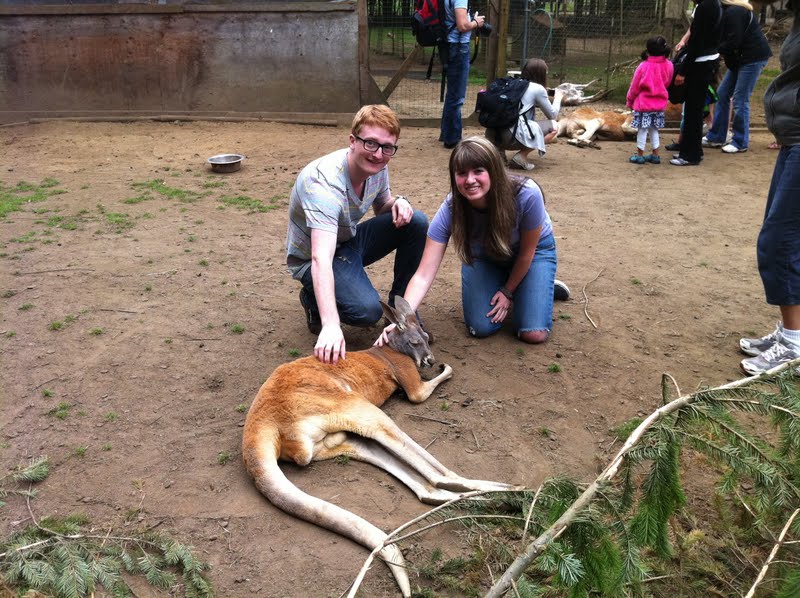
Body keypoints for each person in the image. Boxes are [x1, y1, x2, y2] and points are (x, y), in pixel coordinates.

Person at [376, 137, 569, 347]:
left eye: (478, 170)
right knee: (481, 327)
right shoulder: (452, 206)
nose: (470, 180)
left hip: (530, 255)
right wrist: (402, 320)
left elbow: (526, 254)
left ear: (493, 170)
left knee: (533, 334)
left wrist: (507, 291)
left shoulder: (526, 194)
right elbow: (423, 275)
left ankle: (533, 284)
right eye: (461, 173)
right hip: (487, 254)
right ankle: (524, 287)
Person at [286, 104, 429, 365]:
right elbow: (320, 257)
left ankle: (400, 314)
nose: (378, 154)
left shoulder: (377, 165)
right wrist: (331, 325)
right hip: (312, 259)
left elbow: (381, 205)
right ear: (352, 141)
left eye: (387, 147)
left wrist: (399, 202)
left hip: (346, 241)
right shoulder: (323, 186)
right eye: (371, 144)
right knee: (366, 311)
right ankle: (313, 299)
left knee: (416, 222)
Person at [739, 0, 800, 375]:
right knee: (785, 238)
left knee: (778, 241)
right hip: (793, 137)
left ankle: (793, 343)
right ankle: (791, 331)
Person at [702, 0, 772, 154]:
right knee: (722, 94)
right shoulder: (726, 12)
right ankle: (717, 136)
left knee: (740, 99)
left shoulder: (735, 12)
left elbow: (734, 40)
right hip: (739, 59)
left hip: (753, 58)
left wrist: (713, 50)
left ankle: (740, 141)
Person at [484, 58, 565, 171]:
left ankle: (499, 154)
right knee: (554, 126)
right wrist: (558, 98)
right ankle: (521, 156)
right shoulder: (537, 88)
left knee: (508, 119)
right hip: (511, 138)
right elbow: (552, 115)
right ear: (541, 73)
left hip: (491, 135)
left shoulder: (513, 83)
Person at [670, 0, 723, 166]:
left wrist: (683, 71)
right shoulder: (714, 4)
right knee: (695, 109)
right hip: (708, 59)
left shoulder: (705, 7)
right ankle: (693, 150)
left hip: (700, 63)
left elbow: (696, 41)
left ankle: (689, 155)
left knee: (693, 110)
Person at [440, 0, 485, 149]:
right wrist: (476, 23)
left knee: (452, 93)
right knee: (457, 96)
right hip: (458, 47)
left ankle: (446, 133)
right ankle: (452, 138)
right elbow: (462, 25)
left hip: (449, 45)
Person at [626, 36, 674, 165]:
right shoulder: (669, 65)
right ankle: (655, 155)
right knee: (654, 129)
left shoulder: (644, 66)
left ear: (648, 50)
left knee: (642, 129)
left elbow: (634, 87)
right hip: (659, 105)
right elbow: (668, 82)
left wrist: (629, 101)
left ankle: (640, 155)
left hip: (644, 105)